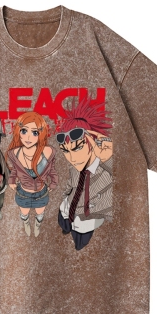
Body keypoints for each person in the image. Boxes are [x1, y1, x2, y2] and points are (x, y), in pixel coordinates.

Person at [56, 95, 113, 250]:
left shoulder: (106, 171)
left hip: (86, 220)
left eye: (77, 148)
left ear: (94, 140)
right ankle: (65, 227)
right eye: (66, 151)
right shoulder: (75, 168)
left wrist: (109, 159)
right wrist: (65, 198)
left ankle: (78, 245)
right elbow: (71, 183)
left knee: (80, 241)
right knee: (64, 223)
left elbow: (114, 194)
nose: (72, 158)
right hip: (67, 210)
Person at [6, 112, 58, 237]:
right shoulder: (15, 153)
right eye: (24, 131)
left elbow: (52, 170)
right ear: (18, 131)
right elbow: (15, 170)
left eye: (35, 132)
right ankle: (26, 223)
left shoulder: (47, 152)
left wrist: (54, 182)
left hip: (42, 193)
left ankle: (37, 224)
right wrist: (11, 180)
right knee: (24, 214)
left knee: (40, 213)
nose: (28, 137)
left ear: (41, 134)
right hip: (22, 193)